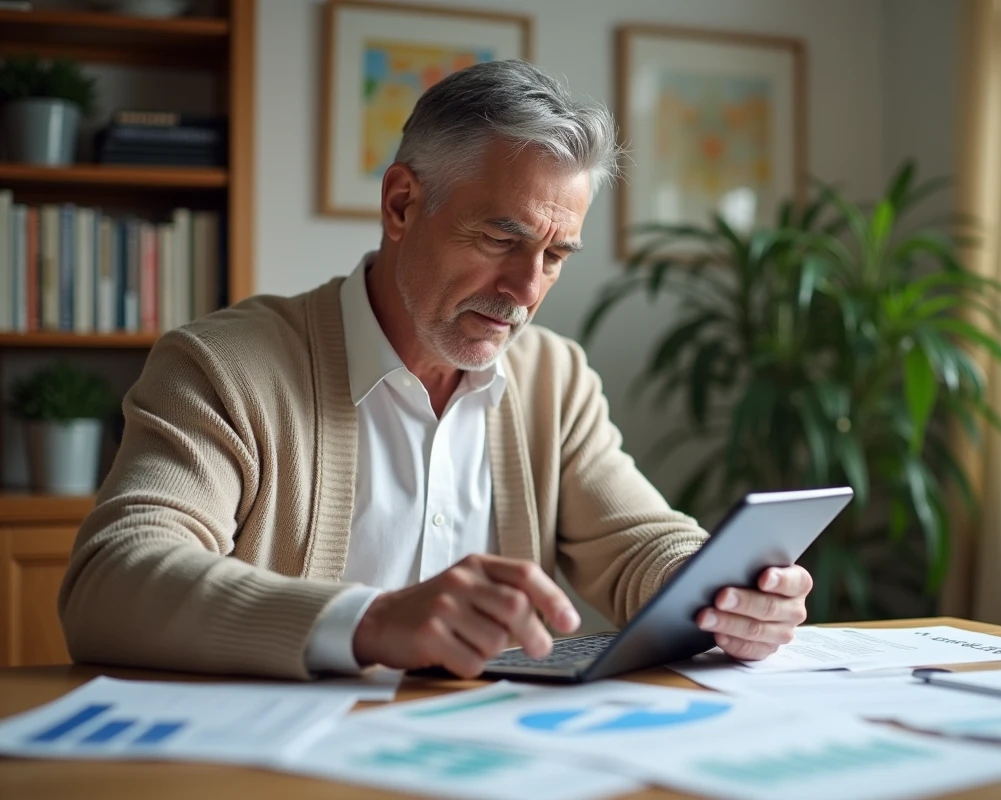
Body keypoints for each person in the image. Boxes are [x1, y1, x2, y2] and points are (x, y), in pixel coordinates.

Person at [58, 60, 813, 680]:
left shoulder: (556, 378)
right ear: (400, 203)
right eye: (499, 237)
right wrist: (373, 622)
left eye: (554, 256)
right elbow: (112, 581)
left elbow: (639, 543)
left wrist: (723, 590)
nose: (526, 291)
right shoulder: (223, 367)